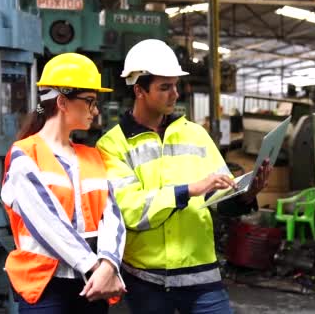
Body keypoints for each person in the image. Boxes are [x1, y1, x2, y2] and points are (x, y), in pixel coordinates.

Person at [96, 39, 272, 314]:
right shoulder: (113, 145)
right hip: (146, 279)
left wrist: (247, 193)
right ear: (139, 89)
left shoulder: (195, 134)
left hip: (202, 276)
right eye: (165, 87)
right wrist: (188, 189)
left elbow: (219, 198)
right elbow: (130, 211)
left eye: (176, 85)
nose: (175, 94)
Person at [1, 53, 126, 313]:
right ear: (62, 102)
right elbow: (47, 224)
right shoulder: (24, 154)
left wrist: (109, 264)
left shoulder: (91, 155)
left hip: (93, 284)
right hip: (47, 287)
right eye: (90, 101)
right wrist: (95, 267)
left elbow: (112, 216)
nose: (96, 110)